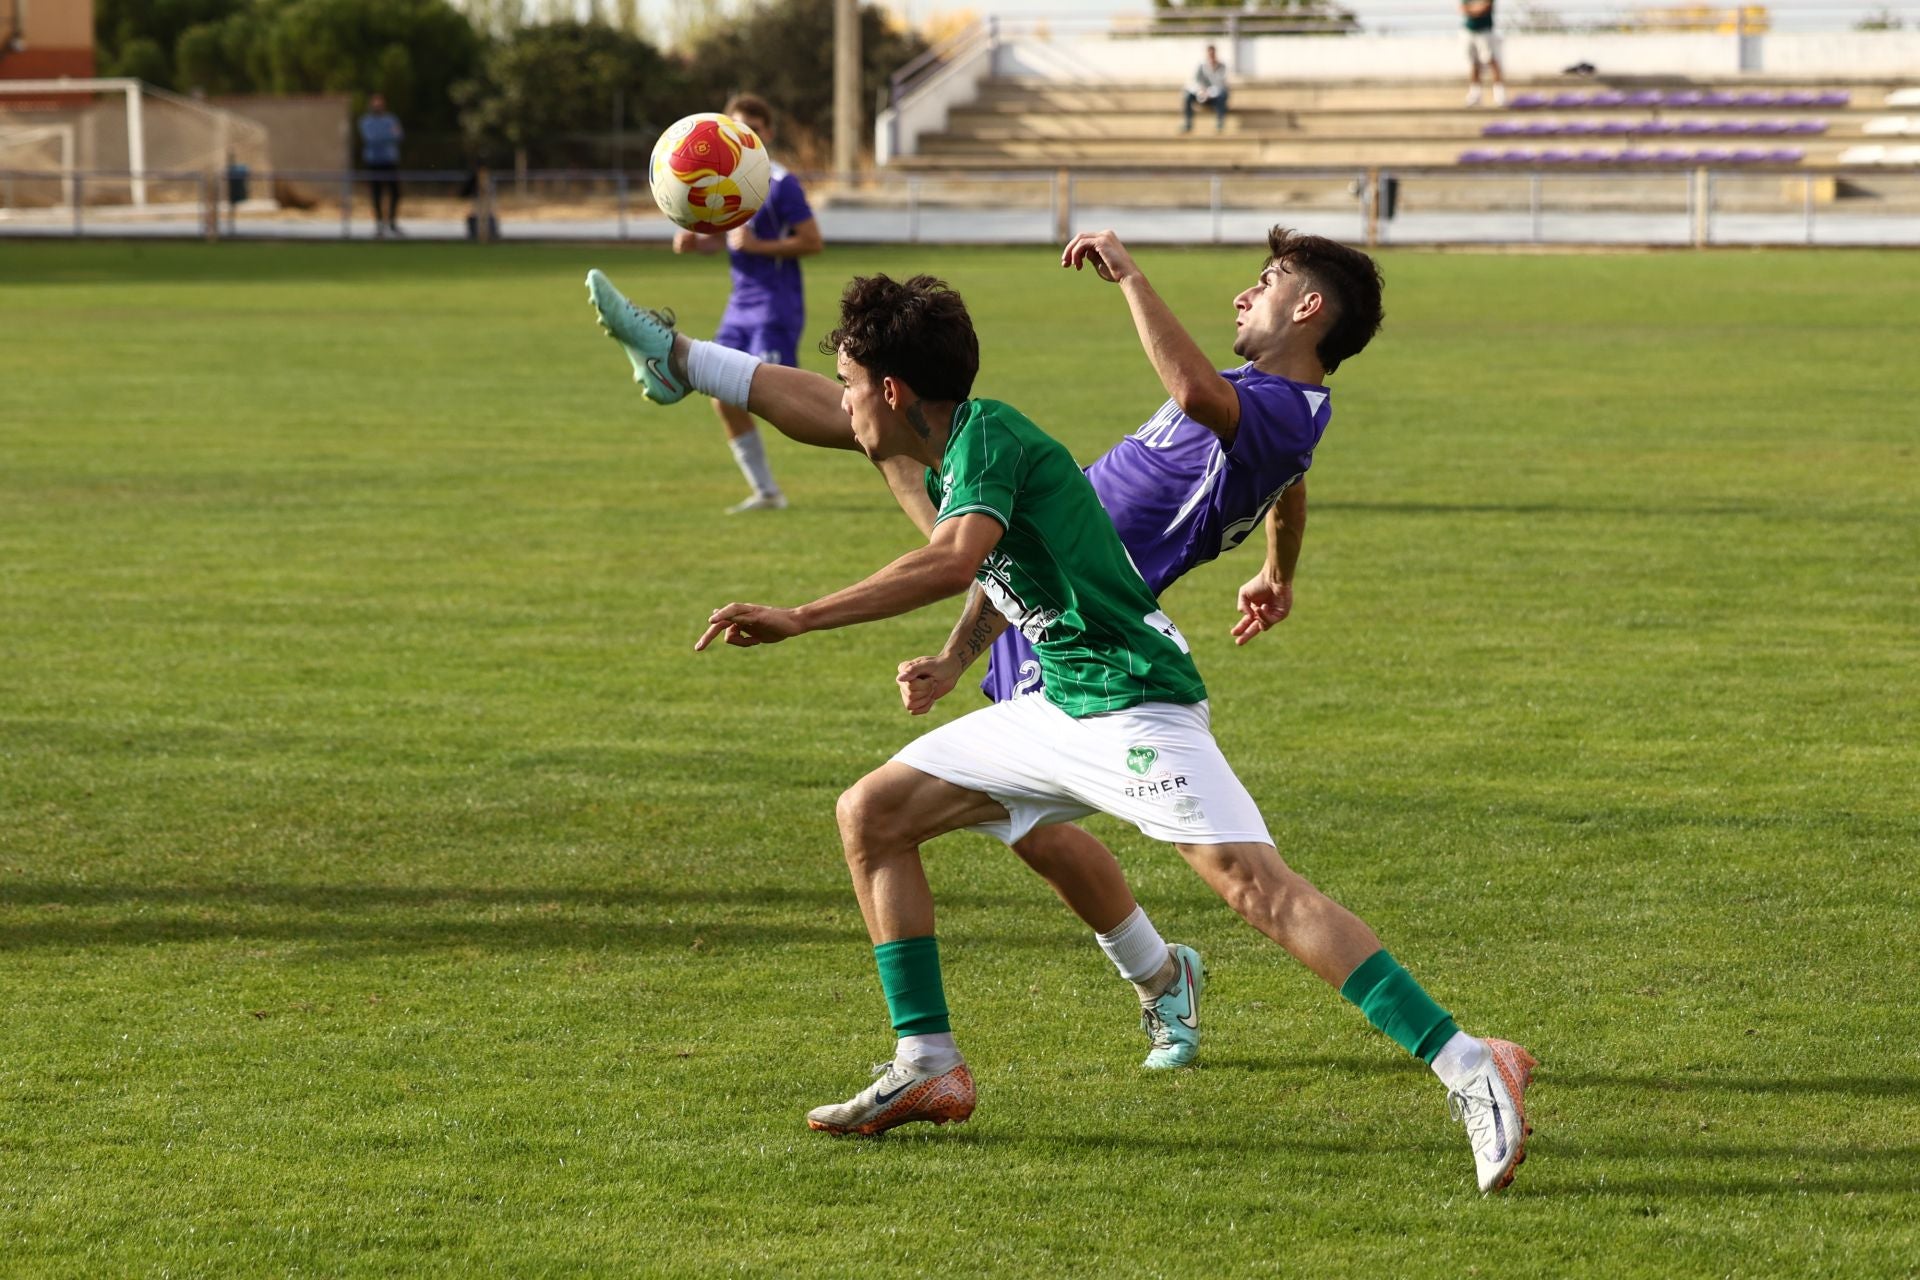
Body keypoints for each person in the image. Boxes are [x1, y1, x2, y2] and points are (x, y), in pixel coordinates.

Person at [679, 272, 1538, 1194]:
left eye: (852, 385)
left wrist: (801, 617)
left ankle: (1470, 1063)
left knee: (1256, 887)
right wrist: (952, 660)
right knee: (873, 815)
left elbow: (955, 556)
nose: (843, 404)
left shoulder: (991, 436)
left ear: (892, 392)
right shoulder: (963, 446)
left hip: (1131, 697)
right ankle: (929, 1062)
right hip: (1053, 705)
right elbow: (979, 552)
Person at [587, 224, 1387, 1075]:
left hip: (1088, 629)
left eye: (1265, 281)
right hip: (1040, 596)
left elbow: (1190, 399)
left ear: (1307, 308)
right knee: (1029, 825)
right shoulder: (1271, 401)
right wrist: (1276, 570)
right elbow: (1283, 485)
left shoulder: (1254, 405)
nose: (1242, 292)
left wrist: (1130, 277)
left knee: (885, 423)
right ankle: (684, 361)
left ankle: (1160, 984)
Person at [672, 93, 824, 514]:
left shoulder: (780, 183)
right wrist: (696, 242)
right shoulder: (726, 181)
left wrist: (761, 245)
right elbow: (723, 241)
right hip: (738, 307)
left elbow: (813, 241)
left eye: (754, 130)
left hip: (776, 308)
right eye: (739, 129)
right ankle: (767, 492)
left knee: (790, 403)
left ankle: (882, 445)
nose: (747, 136)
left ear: (768, 133)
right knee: (720, 394)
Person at [357, 93, 404, 237]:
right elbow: (370, 138)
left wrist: (383, 136)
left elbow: (399, 136)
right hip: (373, 162)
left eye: (380, 103)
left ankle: (392, 222)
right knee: (376, 193)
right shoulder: (366, 121)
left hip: (390, 161)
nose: (378, 106)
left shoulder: (391, 119)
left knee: (396, 192)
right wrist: (388, 136)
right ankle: (379, 224)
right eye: (375, 104)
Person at [1463, 0, 1508, 107]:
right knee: (1473, 63)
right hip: (1469, 32)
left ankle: (1499, 94)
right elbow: (1464, 9)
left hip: (1485, 32)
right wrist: (1476, 9)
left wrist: (1473, 9)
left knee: (1491, 60)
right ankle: (1475, 94)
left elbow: (1485, 8)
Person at [1183, 45, 1231, 134]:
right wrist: (1201, 91)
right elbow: (1195, 81)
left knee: (1223, 94)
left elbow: (1220, 85)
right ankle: (1188, 123)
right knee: (1187, 95)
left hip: (1215, 97)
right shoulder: (1201, 66)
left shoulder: (1222, 66)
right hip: (1202, 95)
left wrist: (1209, 93)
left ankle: (1220, 122)